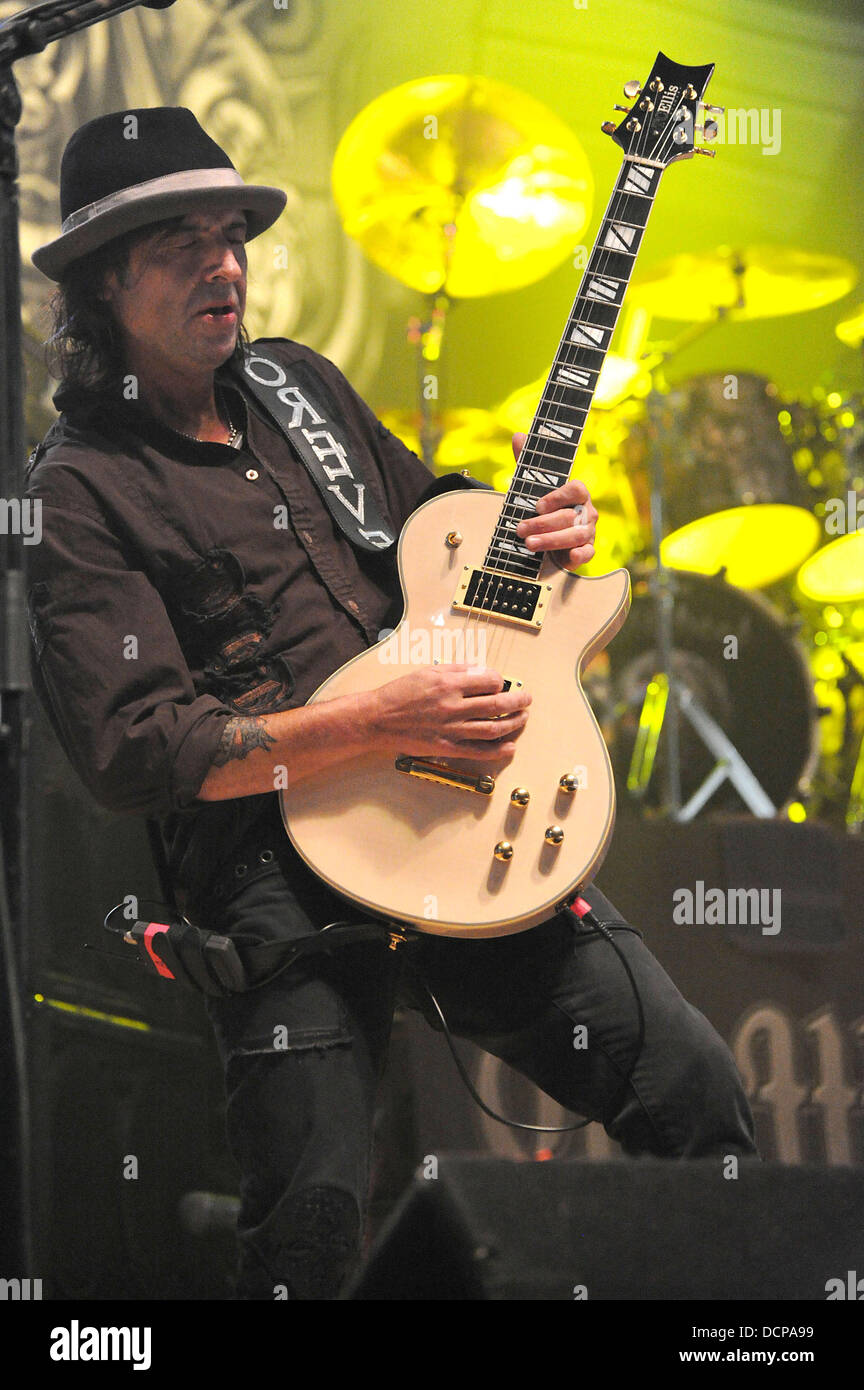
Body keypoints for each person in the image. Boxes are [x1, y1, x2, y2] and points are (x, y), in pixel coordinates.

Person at [26, 107, 757, 1300]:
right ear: (105, 284)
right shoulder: (80, 489)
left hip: (461, 816)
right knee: (312, 1226)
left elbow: (435, 528)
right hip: (273, 872)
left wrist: (538, 526)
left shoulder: (298, 384)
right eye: (180, 246)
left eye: (232, 236)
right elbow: (136, 749)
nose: (224, 264)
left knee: (694, 1090)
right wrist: (374, 724)